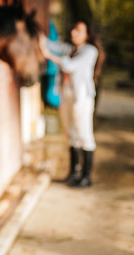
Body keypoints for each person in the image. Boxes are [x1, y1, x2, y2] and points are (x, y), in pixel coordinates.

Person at [39, 20, 104, 188]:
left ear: (87, 35)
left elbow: (69, 65)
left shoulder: (90, 51)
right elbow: (54, 45)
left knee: (84, 133)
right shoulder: (71, 49)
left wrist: (49, 55)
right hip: (67, 95)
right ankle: (73, 173)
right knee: (70, 132)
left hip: (81, 98)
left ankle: (86, 176)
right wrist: (38, 36)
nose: (74, 33)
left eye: (79, 31)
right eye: (74, 29)